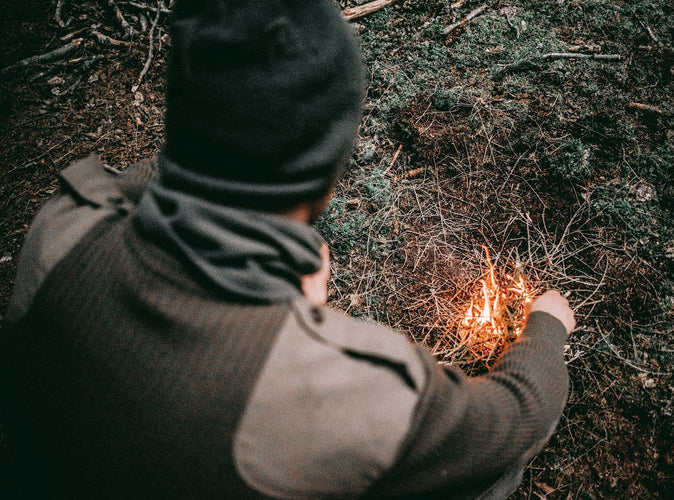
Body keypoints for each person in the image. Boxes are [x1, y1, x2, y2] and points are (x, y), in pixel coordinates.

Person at [0, 0, 575, 498]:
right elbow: (517, 414)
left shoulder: (62, 228)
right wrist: (546, 327)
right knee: (480, 474)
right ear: (328, 165)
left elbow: (159, 179)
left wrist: (268, 270)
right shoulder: (335, 391)